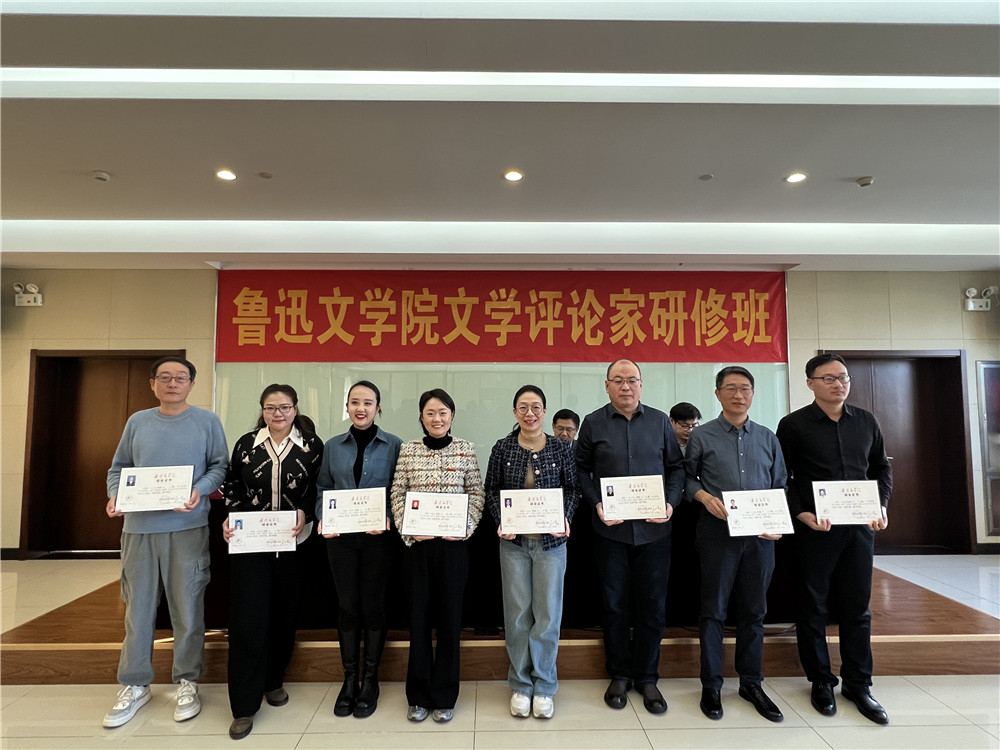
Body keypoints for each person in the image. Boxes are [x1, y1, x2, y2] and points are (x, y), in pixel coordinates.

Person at [103, 356, 228, 729]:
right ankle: (135, 684)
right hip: (139, 529)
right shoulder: (138, 422)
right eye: (166, 377)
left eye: (181, 378)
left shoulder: (206, 421)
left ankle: (187, 681)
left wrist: (199, 489)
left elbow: (219, 467)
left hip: (188, 527)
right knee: (137, 610)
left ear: (192, 384)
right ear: (153, 383)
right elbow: (119, 468)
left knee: (187, 609)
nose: (173, 383)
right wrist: (115, 495)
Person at [776, 352, 892, 725]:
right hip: (816, 529)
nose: (838, 384)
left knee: (857, 607)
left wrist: (881, 506)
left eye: (843, 377)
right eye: (828, 378)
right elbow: (783, 476)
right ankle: (821, 680)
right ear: (810, 383)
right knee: (813, 606)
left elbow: (881, 468)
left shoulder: (866, 421)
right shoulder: (793, 425)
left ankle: (858, 684)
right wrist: (801, 513)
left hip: (859, 529)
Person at [575, 359, 684, 714]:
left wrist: (670, 503)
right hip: (611, 531)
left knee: (652, 606)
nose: (626, 386)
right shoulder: (593, 422)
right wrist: (596, 503)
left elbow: (676, 468)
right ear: (607, 385)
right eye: (618, 380)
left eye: (632, 380)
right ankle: (620, 674)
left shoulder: (660, 421)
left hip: (655, 531)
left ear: (641, 384)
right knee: (614, 605)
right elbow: (580, 469)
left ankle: (648, 677)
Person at [683, 366, 787, 723]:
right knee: (713, 610)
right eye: (730, 388)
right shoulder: (702, 436)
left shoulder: (768, 437)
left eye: (745, 388)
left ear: (753, 394)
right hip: (717, 533)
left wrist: (775, 521)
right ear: (718, 394)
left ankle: (751, 682)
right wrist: (703, 497)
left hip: (760, 538)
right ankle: (711, 684)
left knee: (754, 611)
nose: (738, 395)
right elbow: (687, 478)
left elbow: (780, 485)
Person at [222, 384, 324, 740]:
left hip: (295, 543)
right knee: (247, 620)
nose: (277, 413)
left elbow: (318, 488)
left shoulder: (311, 445)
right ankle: (243, 706)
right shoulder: (246, 445)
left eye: (284, 407)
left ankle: (273, 680)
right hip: (250, 544)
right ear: (262, 410)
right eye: (270, 408)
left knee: (284, 616)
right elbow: (232, 486)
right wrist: (230, 517)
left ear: (295, 409)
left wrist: (306, 511)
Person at [484, 385, 580, 720]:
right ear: (515, 412)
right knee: (518, 616)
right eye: (523, 407)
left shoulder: (560, 447)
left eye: (536, 407)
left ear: (544, 412)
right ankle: (521, 685)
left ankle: (545, 686)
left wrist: (566, 518)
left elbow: (573, 489)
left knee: (548, 615)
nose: (530, 413)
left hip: (551, 544)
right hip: (514, 545)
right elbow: (491, 490)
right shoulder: (503, 447)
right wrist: (501, 520)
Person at [390, 388, 484, 723]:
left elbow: (476, 494)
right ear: (421, 416)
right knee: (418, 620)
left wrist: (464, 527)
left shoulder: (466, 449)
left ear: (452, 416)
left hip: (453, 547)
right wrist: (408, 529)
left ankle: (445, 695)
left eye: (443, 412)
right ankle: (417, 696)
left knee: (449, 620)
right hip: (418, 547)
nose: (437, 418)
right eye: (430, 413)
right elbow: (397, 492)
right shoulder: (408, 449)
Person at [316, 380, 402, 720]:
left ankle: (370, 680)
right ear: (347, 407)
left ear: (378, 408)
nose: (361, 408)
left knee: (374, 606)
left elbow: (399, 489)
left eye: (368, 402)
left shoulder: (394, 444)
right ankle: (349, 680)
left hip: (378, 538)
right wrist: (323, 517)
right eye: (355, 402)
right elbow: (323, 487)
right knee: (348, 607)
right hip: (341, 540)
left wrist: (389, 515)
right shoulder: (333, 446)